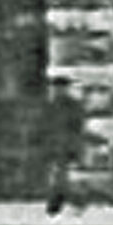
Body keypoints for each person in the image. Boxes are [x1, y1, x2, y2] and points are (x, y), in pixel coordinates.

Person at [40, 76, 88, 216]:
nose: (58, 91)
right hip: (56, 146)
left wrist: (76, 147)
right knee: (59, 176)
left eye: (61, 88)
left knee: (63, 176)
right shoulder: (50, 106)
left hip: (66, 146)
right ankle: (63, 201)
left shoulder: (72, 106)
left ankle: (60, 202)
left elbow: (78, 127)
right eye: (56, 88)